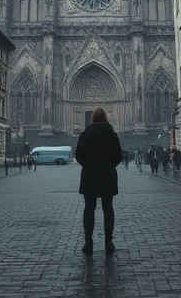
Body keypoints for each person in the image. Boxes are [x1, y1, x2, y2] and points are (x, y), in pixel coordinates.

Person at [75, 107, 123, 256]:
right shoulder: (112, 135)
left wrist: (89, 166)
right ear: (106, 117)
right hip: (108, 175)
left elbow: (78, 155)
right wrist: (108, 166)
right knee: (108, 207)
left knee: (89, 207)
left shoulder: (84, 135)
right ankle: (109, 242)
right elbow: (119, 156)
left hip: (89, 175)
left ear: (93, 119)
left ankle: (88, 243)